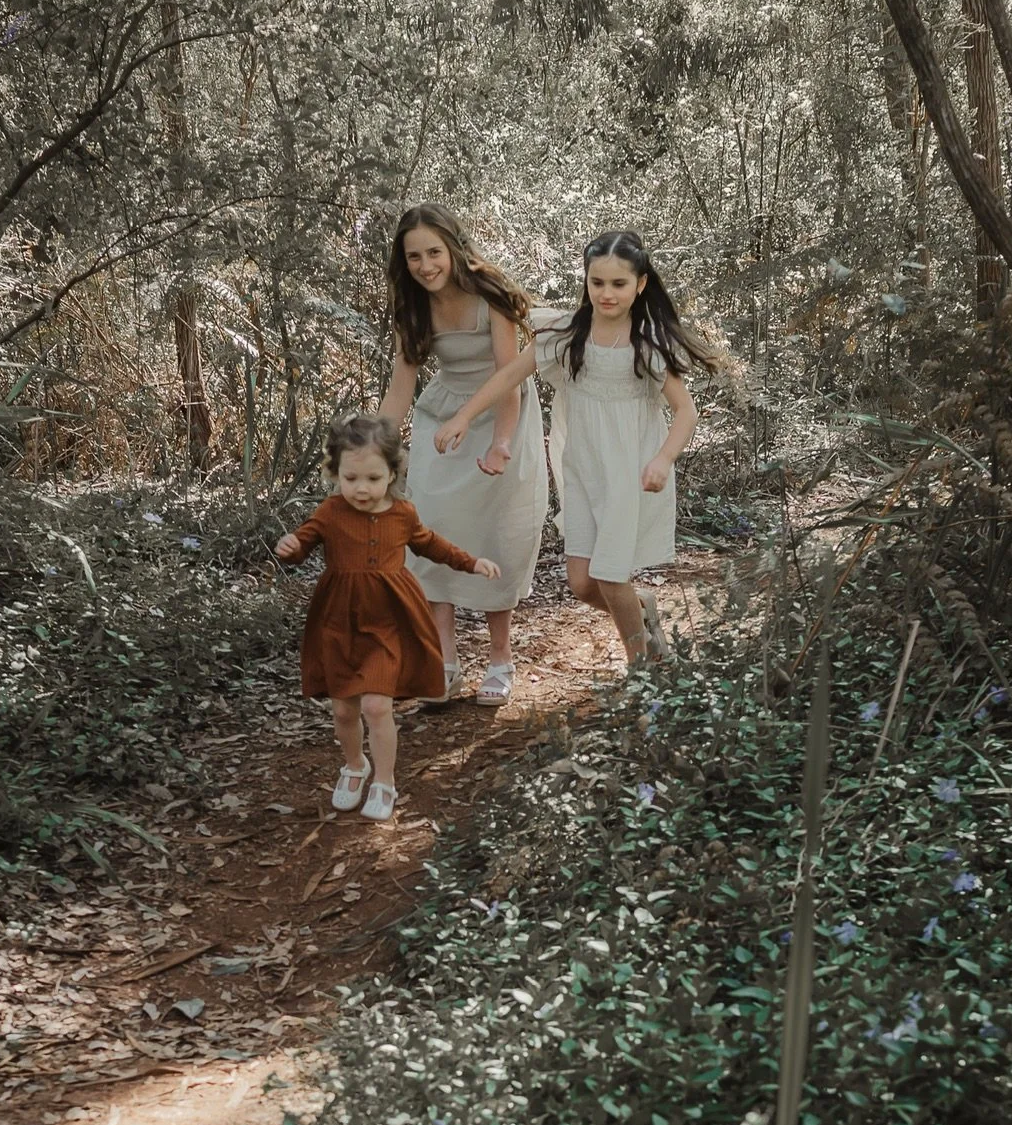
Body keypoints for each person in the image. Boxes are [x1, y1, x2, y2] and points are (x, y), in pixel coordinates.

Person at [435, 230, 713, 665]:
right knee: (583, 584)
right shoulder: (566, 335)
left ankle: (640, 668)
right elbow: (508, 376)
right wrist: (464, 415)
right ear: (585, 281)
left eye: (619, 284)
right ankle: (642, 609)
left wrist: (663, 459)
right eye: (596, 282)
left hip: (630, 474)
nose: (606, 293)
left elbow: (686, 412)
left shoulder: (649, 342)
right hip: (583, 472)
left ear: (640, 285)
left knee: (609, 574)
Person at [275, 414, 500, 822]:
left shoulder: (403, 515)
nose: (361, 488)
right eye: (351, 478)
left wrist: (472, 563)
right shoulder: (329, 512)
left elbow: (433, 545)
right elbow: (304, 541)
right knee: (344, 710)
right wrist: (290, 546)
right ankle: (354, 766)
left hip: (388, 623)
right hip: (339, 623)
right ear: (336, 473)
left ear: (393, 474)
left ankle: (385, 780)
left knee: (378, 706)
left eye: (373, 479)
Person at [378, 205, 547, 707]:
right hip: (442, 421)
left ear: (453, 248)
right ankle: (444, 664)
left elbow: (508, 378)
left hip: (501, 414)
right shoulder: (412, 308)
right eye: (414, 257)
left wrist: (501, 443)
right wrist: (373, 450)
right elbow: (399, 389)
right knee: (430, 535)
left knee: (497, 534)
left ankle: (500, 660)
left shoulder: (489, 295)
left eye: (433, 252)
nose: (426, 265)